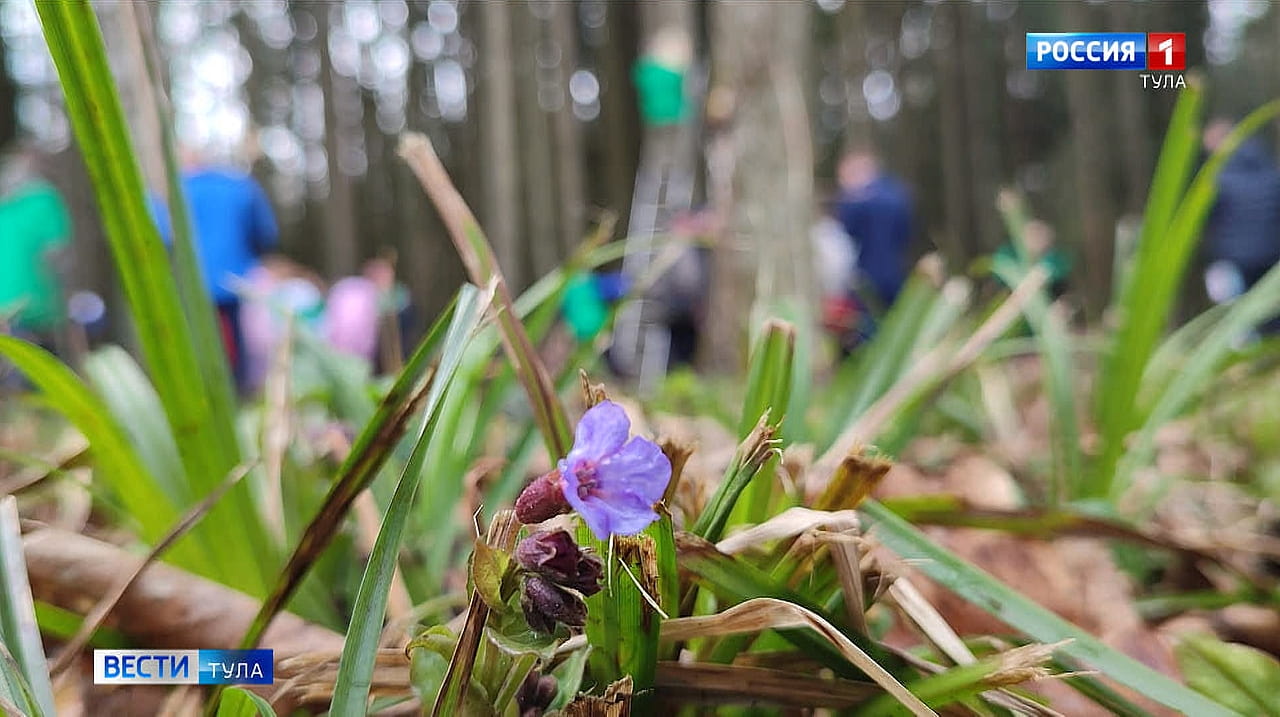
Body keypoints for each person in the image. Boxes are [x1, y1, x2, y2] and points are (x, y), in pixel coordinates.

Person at [151, 147, 279, 386]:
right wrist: (250, 255)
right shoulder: (239, 187)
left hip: (191, 283)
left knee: (197, 340)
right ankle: (237, 391)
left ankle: (203, 391)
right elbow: (266, 231)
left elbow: (160, 236)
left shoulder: (171, 193)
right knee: (235, 338)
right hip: (234, 280)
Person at [1201, 118, 1280, 333]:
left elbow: (1208, 221)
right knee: (1271, 315)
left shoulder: (1217, 180)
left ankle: (1244, 361)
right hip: (1272, 260)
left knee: (1237, 321)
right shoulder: (1270, 171)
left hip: (1235, 262)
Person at [0, 146, 73, 353]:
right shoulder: (45, 200)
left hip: (5, 313)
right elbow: (59, 256)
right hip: (37, 310)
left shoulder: (4, 207)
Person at [833, 149, 914, 310]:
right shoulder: (898, 195)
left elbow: (844, 238)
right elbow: (906, 233)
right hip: (896, 273)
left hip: (865, 278)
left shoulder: (854, 203)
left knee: (867, 329)